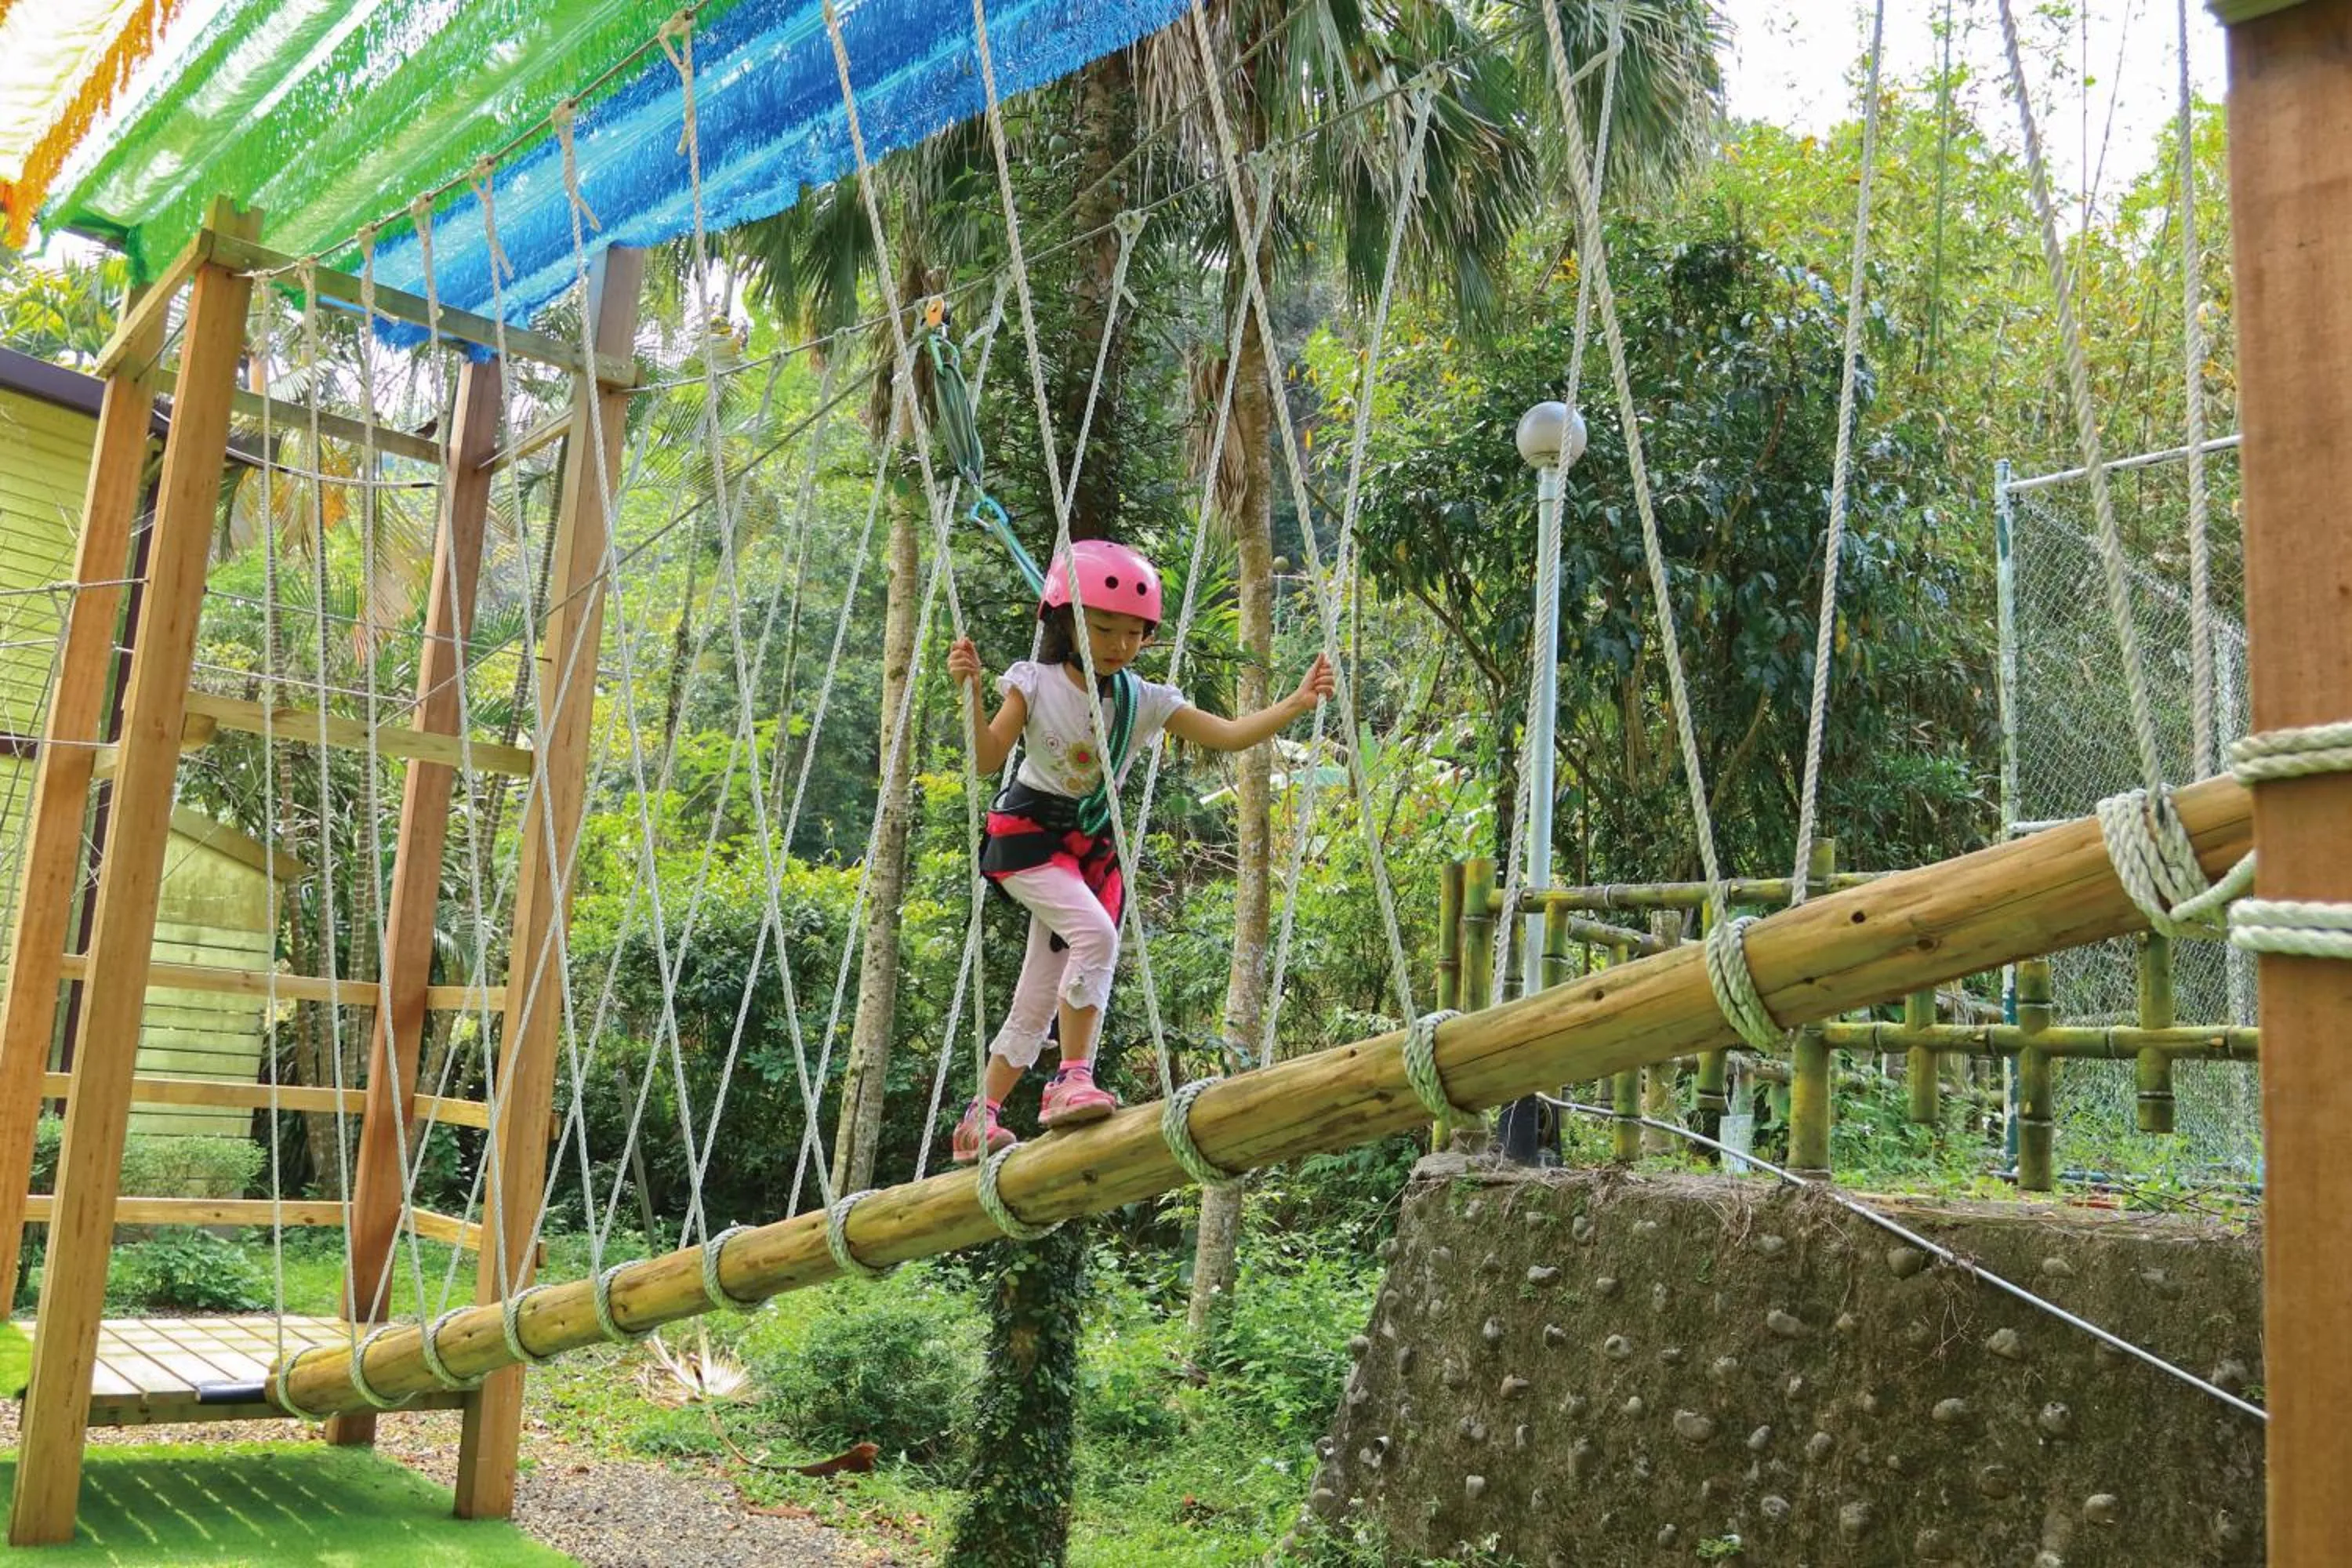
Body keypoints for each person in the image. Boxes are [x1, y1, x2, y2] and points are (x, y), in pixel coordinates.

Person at [945, 539, 1334, 1161]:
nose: (1118, 644)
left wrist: (1295, 703)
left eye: (1133, 633)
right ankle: (1071, 1079)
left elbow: (1229, 737)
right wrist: (968, 693)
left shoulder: (1143, 700)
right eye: (1102, 627)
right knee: (1097, 938)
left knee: (1040, 990)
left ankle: (978, 1118)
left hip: (1088, 851)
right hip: (1028, 840)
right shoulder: (1035, 684)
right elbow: (988, 758)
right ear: (1066, 621)